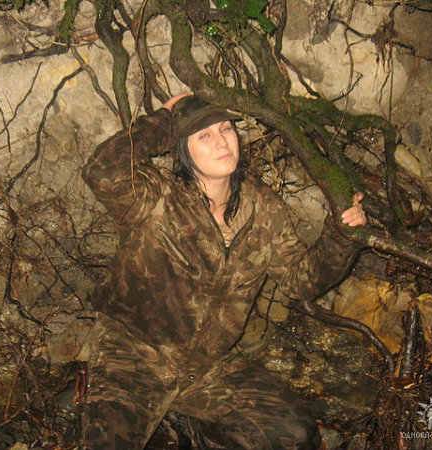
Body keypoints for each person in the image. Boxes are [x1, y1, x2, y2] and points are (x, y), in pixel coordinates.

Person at [80, 94, 367, 449]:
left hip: (205, 368)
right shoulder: (156, 197)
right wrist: (163, 121)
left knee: (295, 434)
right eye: (204, 135)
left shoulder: (262, 207)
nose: (221, 142)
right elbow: (100, 172)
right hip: (133, 357)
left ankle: (198, 429)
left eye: (226, 129)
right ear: (182, 149)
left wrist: (341, 235)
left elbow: (300, 281)